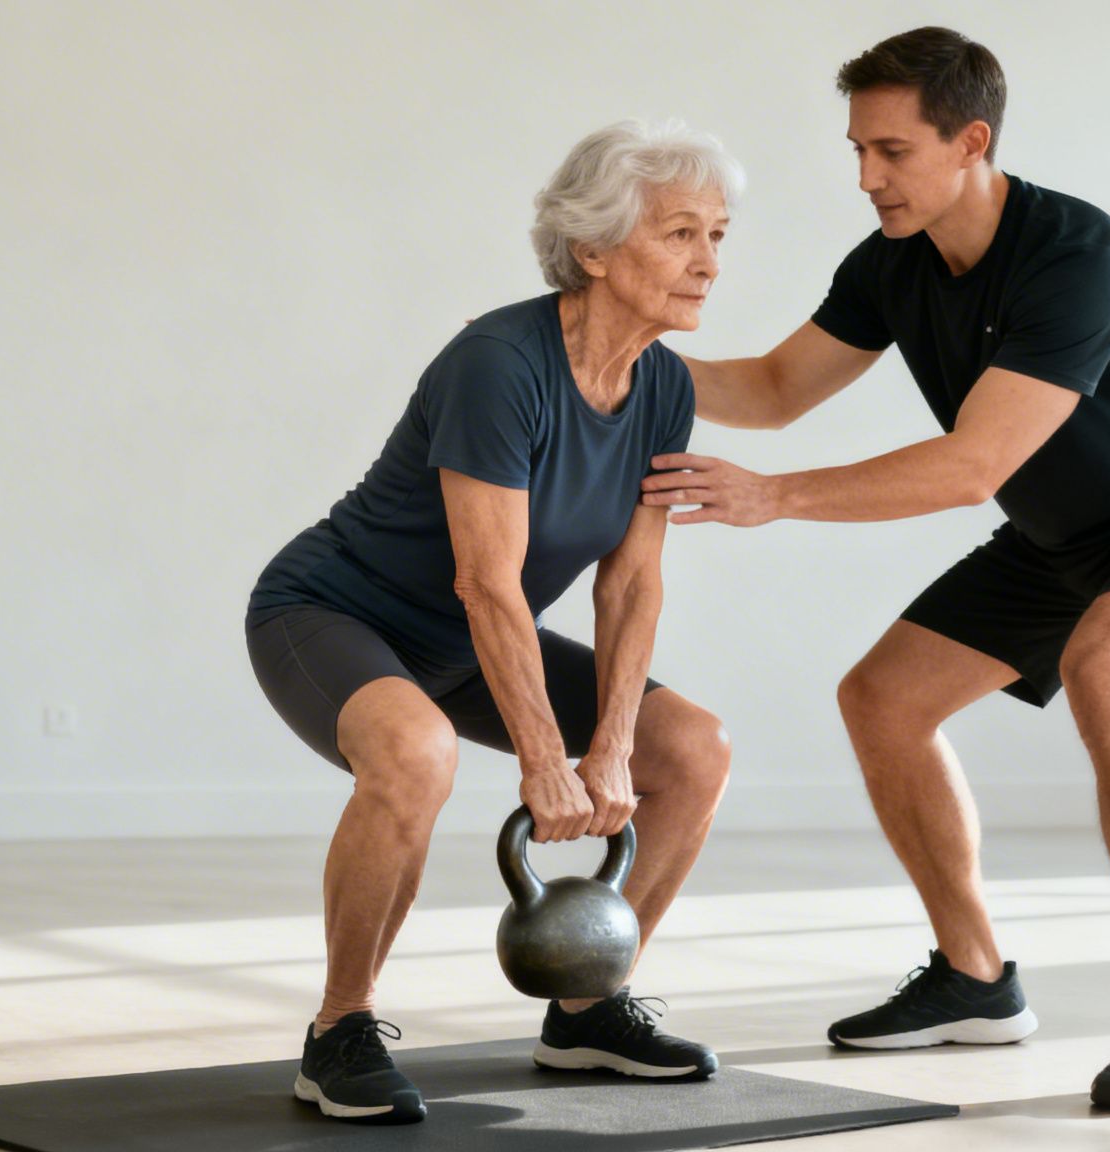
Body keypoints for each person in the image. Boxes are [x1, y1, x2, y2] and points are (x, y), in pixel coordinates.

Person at [642, 28, 1110, 1111]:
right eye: (856, 149)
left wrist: (776, 495)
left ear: (969, 140)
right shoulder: (891, 263)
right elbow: (778, 386)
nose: (864, 176)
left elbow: (973, 465)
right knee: (881, 700)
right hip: (1054, 541)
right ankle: (975, 978)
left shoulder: (1076, 255)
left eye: (890, 151)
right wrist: (610, 346)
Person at [245, 120, 740, 1125]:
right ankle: (338, 1030)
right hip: (335, 610)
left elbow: (632, 583)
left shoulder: (664, 387)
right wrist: (544, 757)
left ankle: (589, 1008)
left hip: (466, 642)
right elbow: (486, 581)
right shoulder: (498, 364)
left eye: (718, 236)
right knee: (414, 754)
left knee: (688, 750)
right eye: (679, 233)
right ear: (594, 249)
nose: (707, 262)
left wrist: (609, 747)